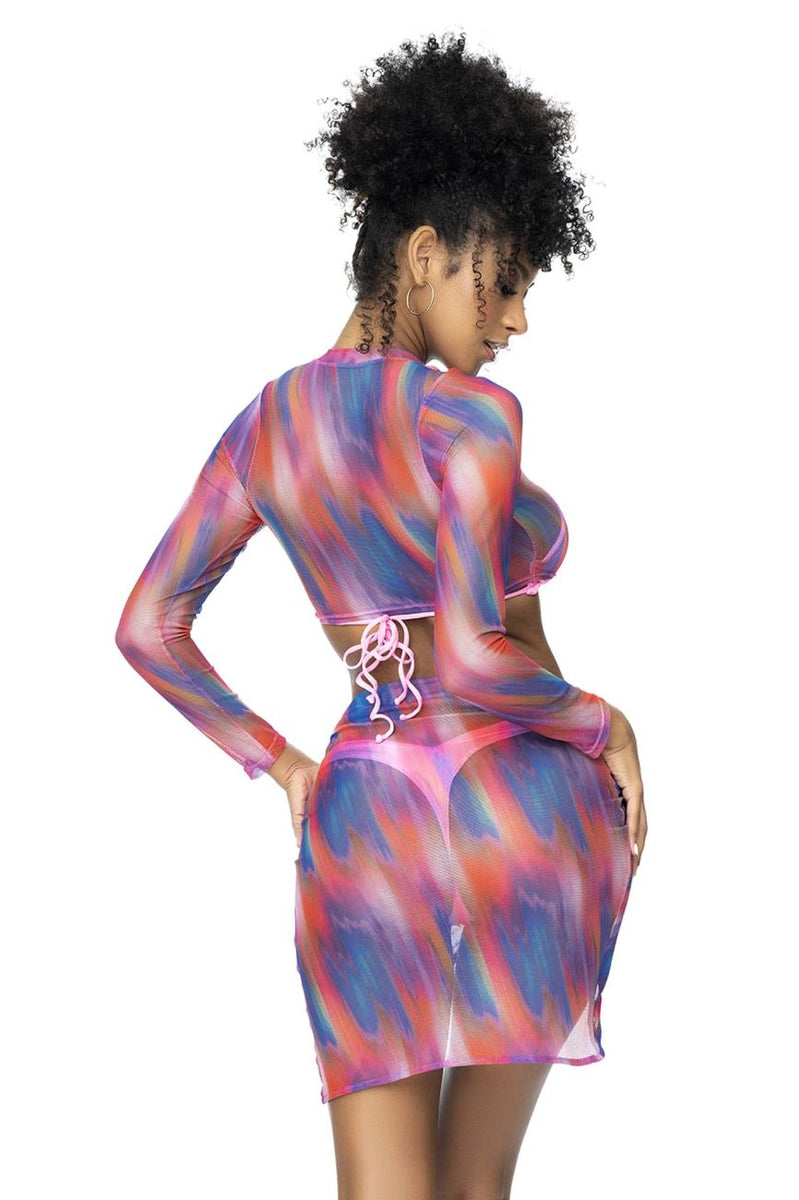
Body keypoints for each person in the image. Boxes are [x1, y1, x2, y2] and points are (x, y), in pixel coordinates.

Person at [115, 30, 647, 1200]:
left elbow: (149, 625)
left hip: (363, 818)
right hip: (518, 816)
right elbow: (478, 654)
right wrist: (607, 726)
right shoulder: (473, 418)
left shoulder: (268, 425)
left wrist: (286, 767)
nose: (516, 319)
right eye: (502, 280)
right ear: (422, 254)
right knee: (473, 1185)